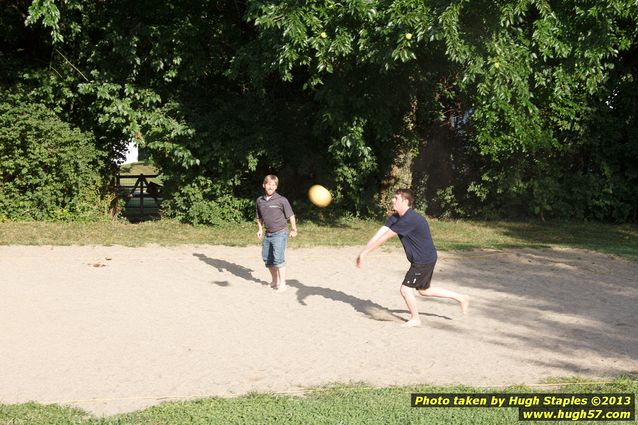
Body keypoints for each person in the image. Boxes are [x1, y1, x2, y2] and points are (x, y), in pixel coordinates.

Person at [355, 188, 469, 327]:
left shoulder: (410, 219)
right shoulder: (396, 217)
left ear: (406, 201)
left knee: (405, 289)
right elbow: (381, 232)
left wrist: (365, 253)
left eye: (396, 198)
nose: (392, 200)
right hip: (425, 258)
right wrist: (363, 251)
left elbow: (384, 238)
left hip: (423, 260)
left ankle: (415, 319)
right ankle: (461, 298)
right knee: (424, 291)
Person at [256, 175, 297, 291]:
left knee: (278, 259)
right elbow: (259, 217)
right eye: (269, 184)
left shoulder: (281, 200)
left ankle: (283, 284)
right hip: (268, 234)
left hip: (280, 233)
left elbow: (291, 215)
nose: (271, 187)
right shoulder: (260, 201)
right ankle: (275, 281)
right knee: (267, 259)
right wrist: (259, 229)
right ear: (264, 185)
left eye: (273, 185)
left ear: (276, 187)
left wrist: (294, 229)